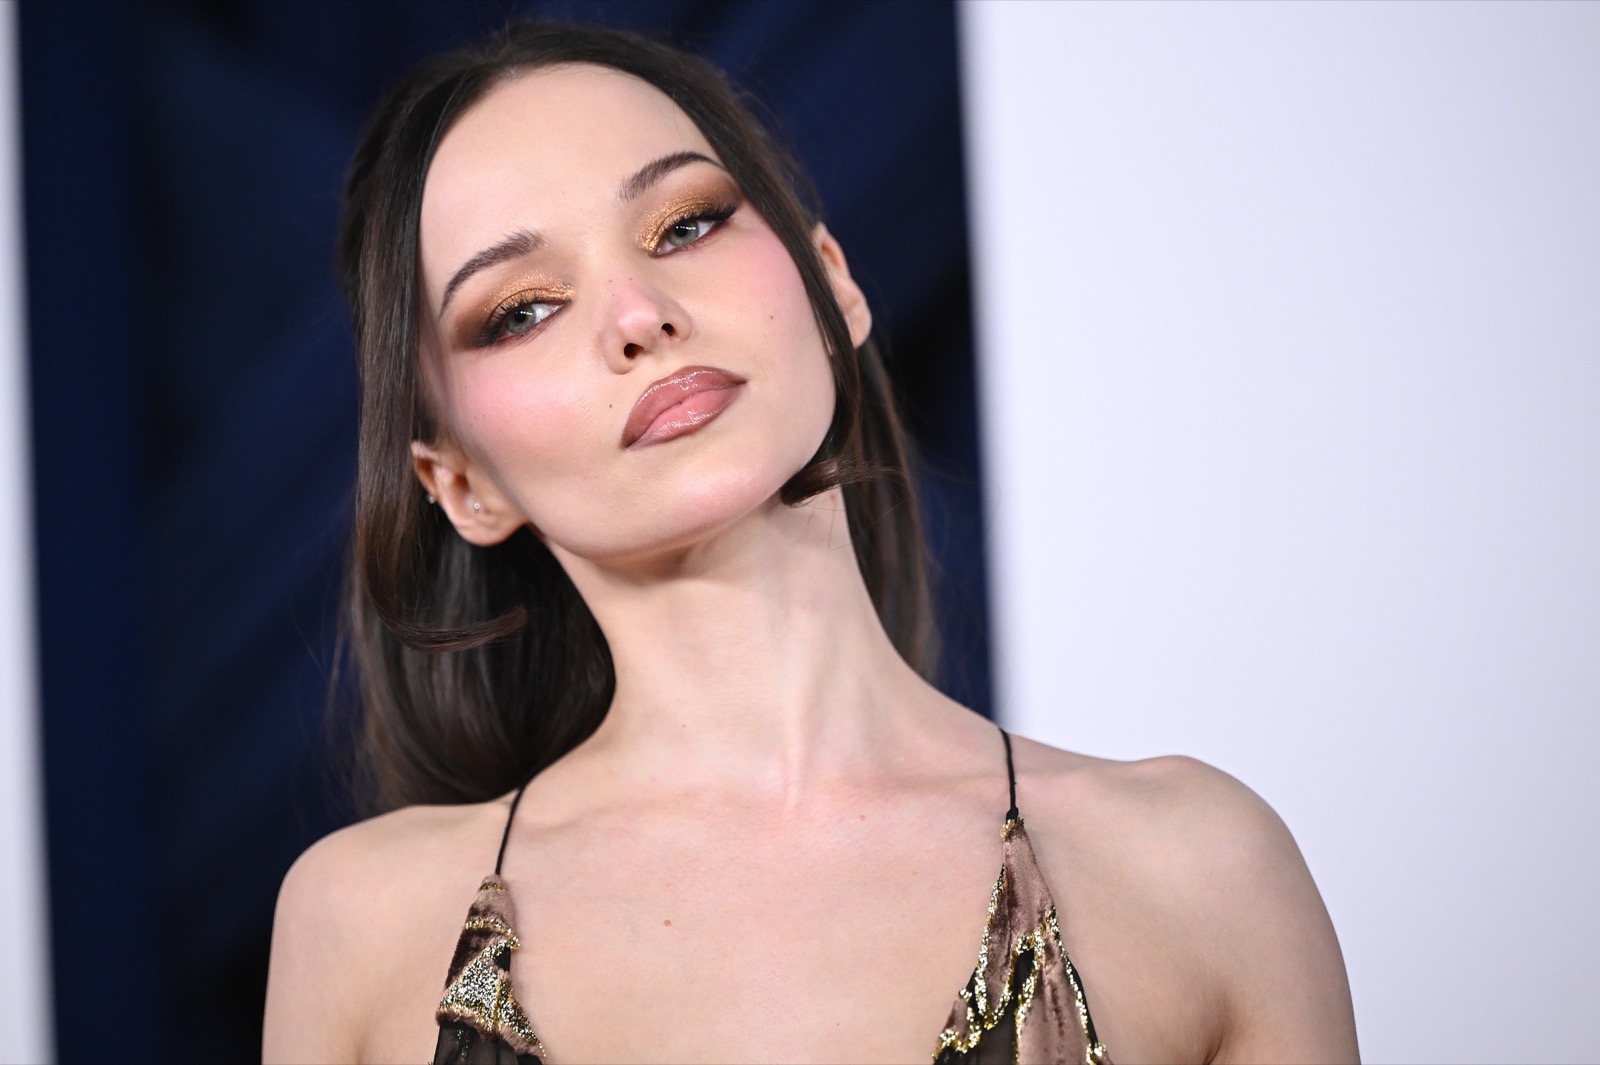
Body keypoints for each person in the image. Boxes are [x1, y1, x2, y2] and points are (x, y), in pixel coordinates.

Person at [262, 20, 1358, 1065]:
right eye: (523, 310)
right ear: (459, 484)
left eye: (686, 225)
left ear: (833, 280)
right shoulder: (364, 927)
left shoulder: (1192, 870)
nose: (639, 316)